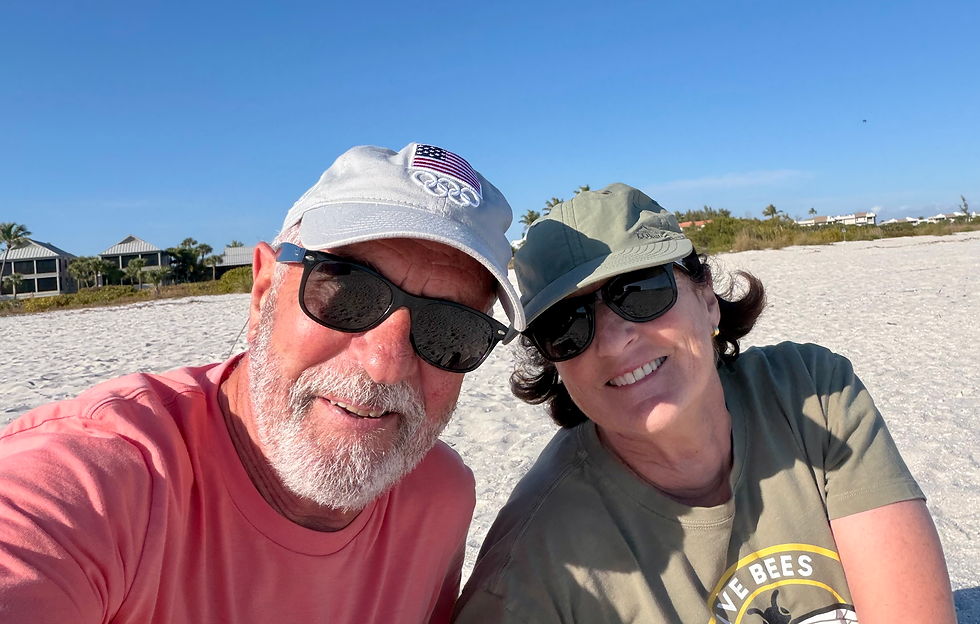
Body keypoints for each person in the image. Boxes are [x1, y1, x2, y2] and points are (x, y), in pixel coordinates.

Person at [0, 143, 526, 623]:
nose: (384, 364)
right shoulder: (93, 485)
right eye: (347, 292)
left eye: (452, 328)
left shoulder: (440, 497)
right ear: (263, 293)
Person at [453, 183, 955, 623]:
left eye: (639, 291)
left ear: (708, 299)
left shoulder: (811, 395)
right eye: (566, 325)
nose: (613, 341)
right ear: (552, 362)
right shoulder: (531, 568)